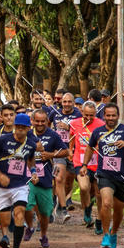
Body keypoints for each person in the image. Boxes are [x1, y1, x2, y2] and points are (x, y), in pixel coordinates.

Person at [80, 103, 124, 248]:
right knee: (106, 203)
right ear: (104, 116)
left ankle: (114, 232)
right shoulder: (98, 132)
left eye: (113, 115)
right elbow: (90, 147)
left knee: (119, 210)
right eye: (107, 115)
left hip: (122, 176)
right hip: (104, 174)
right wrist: (84, 165)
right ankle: (106, 234)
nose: (110, 118)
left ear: (118, 116)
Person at [0, 113, 37, 248]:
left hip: (21, 184)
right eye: (18, 127)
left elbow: (31, 159)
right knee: (5, 220)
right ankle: (5, 235)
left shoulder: (31, 144)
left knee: (20, 213)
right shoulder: (3, 140)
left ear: (29, 128)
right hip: (2, 186)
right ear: (15, 127)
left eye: (24, 128)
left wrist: (33, 172)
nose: (20, 130)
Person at [24, 109, 67, 248]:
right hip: (28, 177)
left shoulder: (53, 135)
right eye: (37, 121)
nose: (40, 123)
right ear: (32, 121)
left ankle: (43, 235)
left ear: (47, 121)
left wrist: (50, 155)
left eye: (43, 121)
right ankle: (29, 226)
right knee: (26, 206)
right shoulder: (26, 134)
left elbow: (66, 151)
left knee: (45, 212)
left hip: (45, 178)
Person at [69, 100, 104, 233]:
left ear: (95, 113)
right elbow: (71, 138)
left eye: (92, 115)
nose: (89, 118)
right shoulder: (74, 124)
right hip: (80, 161)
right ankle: (87, 209)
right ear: (82, 112)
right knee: (84, 187)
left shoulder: (101, 124)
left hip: (97, 163)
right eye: (86, 115)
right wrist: (70, 151)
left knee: (99, 193)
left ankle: (99, 221)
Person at [52, 92, 80, 221]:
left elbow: (82, 132)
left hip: (73, 151)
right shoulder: (55, 113)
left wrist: (69, 127)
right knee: (58, 179)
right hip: (58, 151)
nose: (67, 104)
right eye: (65, 101)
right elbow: (46, 127)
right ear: (61, 102)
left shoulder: (78, 115)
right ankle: (62, 209)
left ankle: (59, 201)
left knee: (68, 182)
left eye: (69, 102)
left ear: (73, 103)